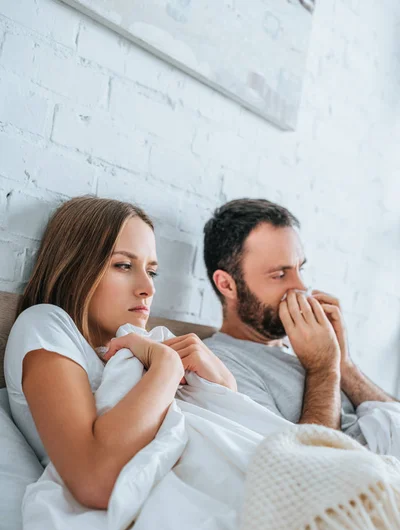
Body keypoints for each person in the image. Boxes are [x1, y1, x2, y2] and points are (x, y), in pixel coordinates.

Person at [4, 195, 236, 510]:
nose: (148, 288)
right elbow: (94, 480)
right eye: (123, 265)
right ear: (76, 268)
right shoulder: (46, 325)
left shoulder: (141, 345)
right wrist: (166, 367)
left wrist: (224, 384)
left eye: (151, 271)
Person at [203, 198, 398, 439]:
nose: (300, 286)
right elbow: (303, 467)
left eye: (300, 269)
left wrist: (343, 364)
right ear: (227, 285)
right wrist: (323, 368)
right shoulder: (222, 365)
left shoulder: (308, 350)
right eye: (280, 274)